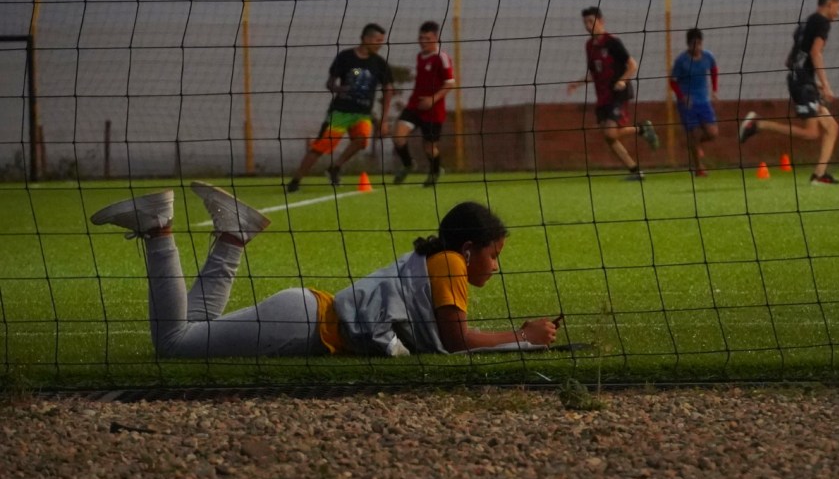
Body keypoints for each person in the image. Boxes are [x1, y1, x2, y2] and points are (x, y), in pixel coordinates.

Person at [89, 185, 558, 358]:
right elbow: (457, 343)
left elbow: (449, 338)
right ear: (471, 247)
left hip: (306, 314)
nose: (495, 267)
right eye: (494, 255)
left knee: (192, 332)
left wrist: (522, 337)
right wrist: (523, 334)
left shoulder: (440, 259)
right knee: (174, 345)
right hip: (304, 325)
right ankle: (159, 229)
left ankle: (233, 234)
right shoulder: (452, 262)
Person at [739, 0, 839, 185]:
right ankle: (758, 124)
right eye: (837, 8)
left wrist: (813, 82)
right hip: (802, 83)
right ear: (829, 4)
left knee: (832, 128)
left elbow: (790, 59)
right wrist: (826, 85)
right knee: (812, 133)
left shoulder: (806, 23)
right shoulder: (822, 23)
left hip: (801, 80)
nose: (838, 13)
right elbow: (815, 53)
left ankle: (819, 175)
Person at [286, 23, 395, 193]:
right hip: (340, 112)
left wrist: (385, 118)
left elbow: (388, 89)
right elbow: (330, 83)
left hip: (362, 114)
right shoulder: (345, 57)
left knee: (361, 140)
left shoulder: (379, 63)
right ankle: (295, 181)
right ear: (366, 39)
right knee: (320, 146)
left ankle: (335, 167)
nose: (380, 44)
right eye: (377, 40)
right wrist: (339, 89)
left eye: (382, 41)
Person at [567, 6, 660, 181]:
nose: (588, 26)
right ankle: (636, 171)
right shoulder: (589, 46)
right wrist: (577, 84)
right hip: (602, 96)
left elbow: (632, 65)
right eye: (585, 22)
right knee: (609, 137)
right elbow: (593, 73)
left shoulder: (612, 42)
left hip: (618, 94)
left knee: (610, 133)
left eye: (591, 22)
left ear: (601, 21)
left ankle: (642, 129)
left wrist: (622, 80)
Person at [392, 21, 456, 187]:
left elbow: (449, 83)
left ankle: (435, 171)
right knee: (398, 137)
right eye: (420, 38)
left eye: (427, 38)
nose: (422, 41)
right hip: (414, 106)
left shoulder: (442, 57)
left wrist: (432, 100)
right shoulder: (420, 56)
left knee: (429, 147)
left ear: (435, 38)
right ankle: (408, 164)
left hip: (434, 111)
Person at [670, 28, 719, 177]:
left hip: (703, 100)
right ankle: (699, 169)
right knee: (693, 134)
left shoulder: (708, 57)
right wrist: (681, 96)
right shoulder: (681, 61)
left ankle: (694, 146)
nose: (696, 47)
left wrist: (714, 90)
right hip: (687, 102)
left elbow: (714, 70)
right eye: (693, 44)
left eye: (699, 44)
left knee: (712, 133)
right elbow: (672, 81)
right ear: (688, 44)